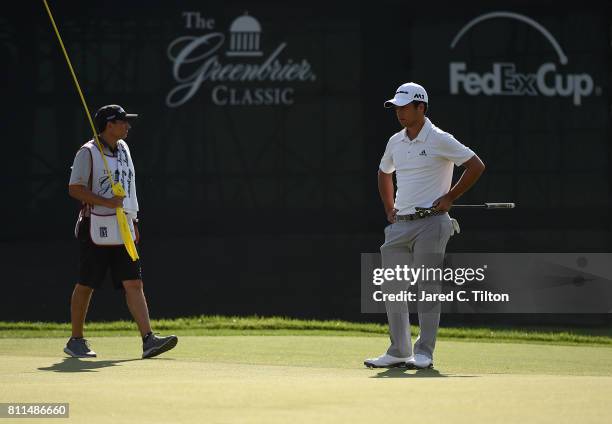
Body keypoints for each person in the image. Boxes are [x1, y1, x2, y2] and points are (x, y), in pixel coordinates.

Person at [364, 83, 485, 369]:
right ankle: (399, 350)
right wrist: (389, 207)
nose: (399, 113)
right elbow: (384, 172)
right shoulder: (395, 141)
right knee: (392, 288)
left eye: (405, 107)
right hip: (400, 225)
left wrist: (450, 196)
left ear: (421, 107)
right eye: (396, 108)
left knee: (427, 287)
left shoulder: (440, 138)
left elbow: (476, 165)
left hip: (432, 223)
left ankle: (424, 352)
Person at [64, 104, 178, 359]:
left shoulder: (124, 149)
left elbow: (128, 186)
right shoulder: (87, 152)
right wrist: (107, 202)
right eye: (122, 122)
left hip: (123, 225)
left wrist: (131, 215)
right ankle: (76, 340)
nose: (127, 126)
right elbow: (75, 188)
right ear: (108, 124)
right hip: (95, 224)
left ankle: (149, 340)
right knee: (87, 283)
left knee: (133, 282)